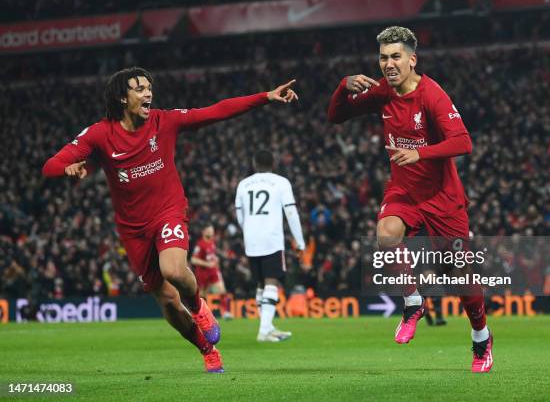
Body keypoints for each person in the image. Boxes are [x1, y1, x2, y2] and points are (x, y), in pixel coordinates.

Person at [42, 67, 298, 373]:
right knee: (165, 300)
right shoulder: (100, 133)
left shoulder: (164, 121)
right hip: (133, 229)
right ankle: (207, 349)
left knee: (173, 270)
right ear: (123, 98)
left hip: (168, 210)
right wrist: (66, 169)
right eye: (139, 88)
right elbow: (51, 165)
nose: (148, 93)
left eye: (149, 87)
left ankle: (199, 307)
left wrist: (265, 97)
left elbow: (215, 111)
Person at [327, 26, 493, 373]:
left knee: (461, 276)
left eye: (396, 57)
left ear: (412, 59)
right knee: (386, 234)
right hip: (403, 191)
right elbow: (336, 116)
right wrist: (343, 87)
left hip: (442, 198)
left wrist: (421, 154)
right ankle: (413, 301)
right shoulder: (383, 92)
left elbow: (463, 142)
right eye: (383, 57)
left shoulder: (432, 95)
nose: (388, 63)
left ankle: (481, 337)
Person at [235, 150, 305, 342]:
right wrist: (299, 242)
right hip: (271, 239)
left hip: (251, 239)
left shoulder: (243, 184)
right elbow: (291, 213)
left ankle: (267, 326)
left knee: (261, 283)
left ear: (254, 162)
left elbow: (240, 216)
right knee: (272, 281)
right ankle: (264, 330)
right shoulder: (281, 182)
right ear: (273, 163)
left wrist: (249, 230)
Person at [191, 224, 233, 319]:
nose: (212, 232)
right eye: (210, 230)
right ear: (204, 232)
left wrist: (218, 256)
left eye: (212, 230)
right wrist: (207, 264)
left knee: (222, 290)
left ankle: (226, 312)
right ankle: (200, 314)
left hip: (213, 271)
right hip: (202, 273)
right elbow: (193, 259)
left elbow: (212, 252)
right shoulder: (199, 244)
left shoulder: (212, 242)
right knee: (202, 295)